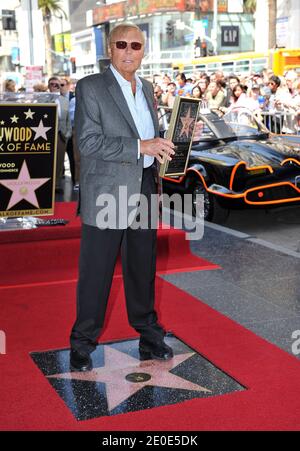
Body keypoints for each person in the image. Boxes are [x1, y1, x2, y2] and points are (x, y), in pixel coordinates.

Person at [70, 23, 175, 372]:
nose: (129, 51)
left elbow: (149, 135)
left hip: (144, 186)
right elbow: (87, 142)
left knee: (142, 268)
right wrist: (139, 147)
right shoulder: (91, 87)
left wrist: (163, 147)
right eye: (122, 44)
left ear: (144, 51)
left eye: (136, 45)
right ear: (109, 48)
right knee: (96, 273)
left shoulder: (146, 87)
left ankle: (149, 336)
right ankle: (82, 344)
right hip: (106, 192)